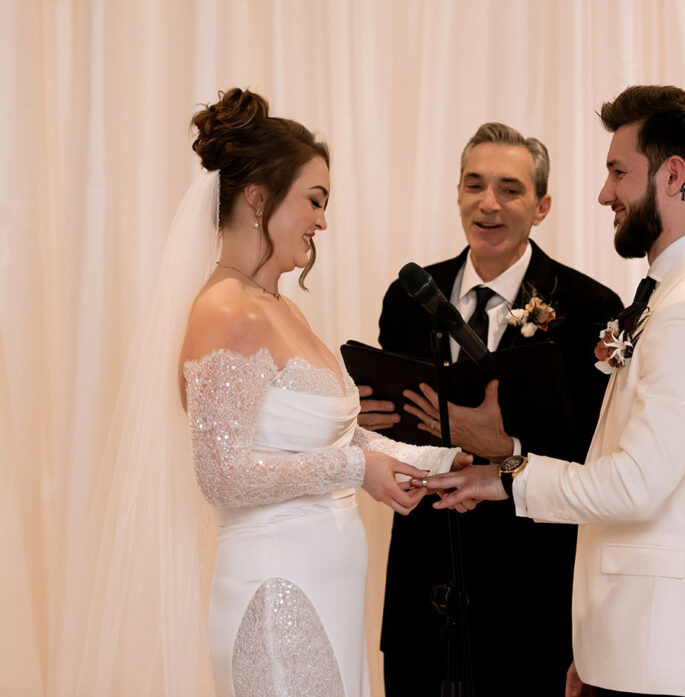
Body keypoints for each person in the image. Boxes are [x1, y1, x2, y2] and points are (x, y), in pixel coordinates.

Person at [421, 86, 685, 697]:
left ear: (675, 177)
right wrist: (599, 646)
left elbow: (634, 485)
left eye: (618, 172)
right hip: (635, 647)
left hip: (667, 657)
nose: (605, 192)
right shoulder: (674, 293)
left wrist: (506, 476)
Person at [179, 88, 470, 697]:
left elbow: (341, 433)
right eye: (314, 200)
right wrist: (356, 467)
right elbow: (222, 474)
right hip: (276, 590)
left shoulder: (280, 307)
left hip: (325, 587)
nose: (322, 220)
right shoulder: (229, 311)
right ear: (258, 198)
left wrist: (442, 465)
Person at [359, 122, 623, 697]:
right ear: (457, 192)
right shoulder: (408, 296)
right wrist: (369, 429)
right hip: (421, 590)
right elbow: (392, 425)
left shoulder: (590, 308)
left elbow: (597, 460)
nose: (488, 203)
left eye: (510, 189)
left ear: (542, 205)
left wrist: (507, 451)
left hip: (532, 596)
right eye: (474, 184)